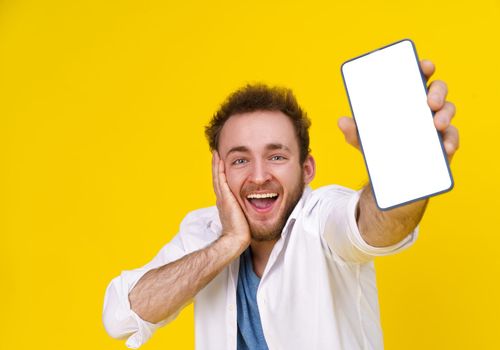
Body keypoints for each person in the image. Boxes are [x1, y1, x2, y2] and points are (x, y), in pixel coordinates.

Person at [102, 60, 459, 349]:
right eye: (240, 160)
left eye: (276, 156)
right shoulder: (205, 233)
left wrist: (403, 170)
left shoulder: (320, 219)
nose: (258, 176)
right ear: (219, 172)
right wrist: (227, 244)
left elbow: (375, 227)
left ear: (307, 169)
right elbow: (120, 316)